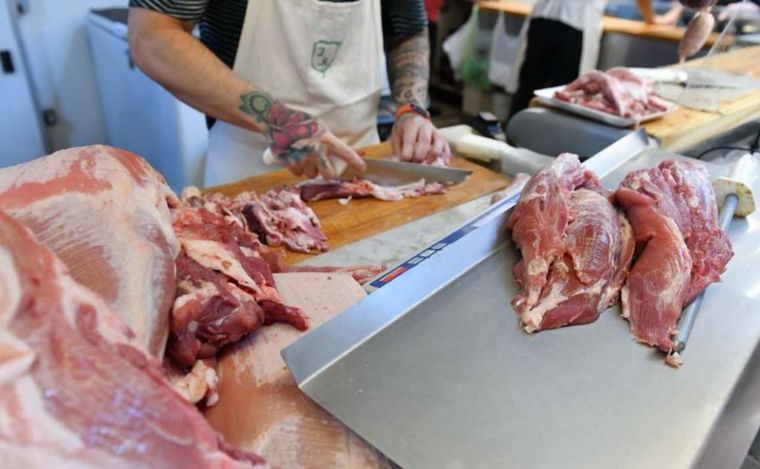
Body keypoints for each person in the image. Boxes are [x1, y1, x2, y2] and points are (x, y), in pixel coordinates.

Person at [127, 0, 451, 186]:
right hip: (252, 176)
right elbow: (152, 36)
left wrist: (411, 107)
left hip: (362, 168)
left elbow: (406, 30)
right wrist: (278, 120)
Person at [507, 0, 683, 119]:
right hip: (576, 22)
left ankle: (512, 142)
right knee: (566, 95)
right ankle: (538, 150)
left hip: (542, 17)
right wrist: (652, 19)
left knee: (530, 86)